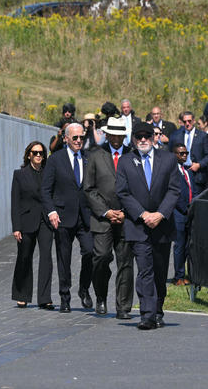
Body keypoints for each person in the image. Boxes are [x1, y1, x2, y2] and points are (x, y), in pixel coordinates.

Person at [116, 122, 181, 330]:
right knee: (145, 270)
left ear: (154, 137)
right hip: (138, 225)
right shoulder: (126, 161)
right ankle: (147, 314)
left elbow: (174, 190)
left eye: (147, 136)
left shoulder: (169, 159)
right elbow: (123, 192)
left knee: (160, 271)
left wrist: (160, 214)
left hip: (162, 225)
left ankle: (158, 309)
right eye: (138, 136)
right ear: (134, 139)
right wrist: (143, 214)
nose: (143, 139)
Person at [83, 117, 134, 319]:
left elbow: (138, 188)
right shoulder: (96, 155)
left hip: (126, 218)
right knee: (101, 258)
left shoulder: (132, 156)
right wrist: (105, 211)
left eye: (119, 135)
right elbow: (88, 188)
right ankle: (101, 296)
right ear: (107, 134)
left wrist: (126, 212)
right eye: (112, 134)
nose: (116, 138)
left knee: (126, 262)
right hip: (102, 218)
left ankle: (123, 307)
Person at [41, 123, 94, 313]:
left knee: (90, 251)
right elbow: (45, 190)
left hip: (85, 216)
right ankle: (65, 297)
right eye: (75, 138)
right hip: (63, 216)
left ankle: (84, 288)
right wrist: (51, 212)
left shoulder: (89, 158)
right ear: (66, 138)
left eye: (81, 137)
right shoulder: (56, 160)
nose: (79, 141)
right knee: (64, 258)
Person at [11, 142, 54, 310]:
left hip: (45, 221)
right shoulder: (19, 174)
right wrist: (16, 227)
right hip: (26, 220)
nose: (38, 156)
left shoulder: (48, 173)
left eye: (41, 153)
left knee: (46, 257)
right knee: (24, 257)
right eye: (35, 152)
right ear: (28, 154)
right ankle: (22, 295)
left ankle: (45, 298)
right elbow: (15, 202)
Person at [169, 111, 208, 195]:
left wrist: (199, 165)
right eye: (185, 121)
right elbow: (170, 153)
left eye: (189, 121)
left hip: (197, 176)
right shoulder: (176, 136)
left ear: (193, 121)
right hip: (180, 175)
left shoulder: (203, 136)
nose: (187, 123)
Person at [170, 143, 194, 286]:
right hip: (178, 213)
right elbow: (175, 194)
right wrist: (185, 208)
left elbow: (193, 190)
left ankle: (185, 274)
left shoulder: (188, 171)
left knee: (187, 246)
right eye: (181, 153)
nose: (184, 155)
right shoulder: (172, 172)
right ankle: (178, 276)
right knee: (179, 245)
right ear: (174, 155)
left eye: (186, 153)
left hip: (190, 213)